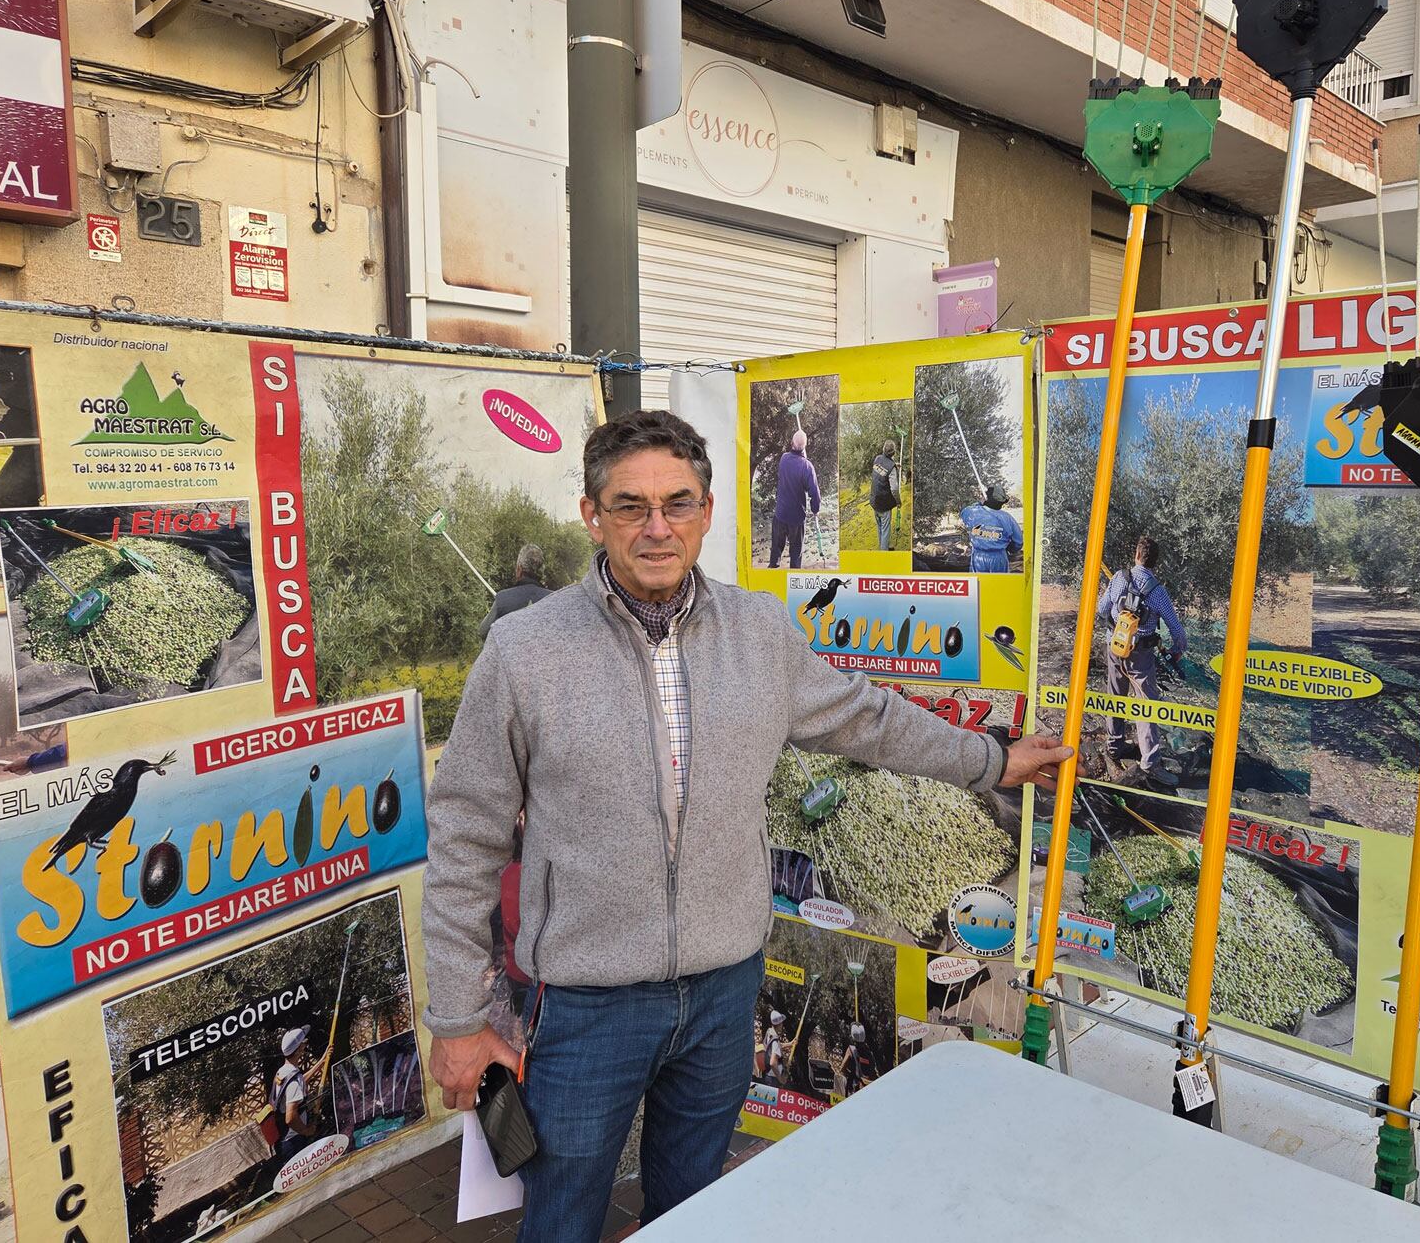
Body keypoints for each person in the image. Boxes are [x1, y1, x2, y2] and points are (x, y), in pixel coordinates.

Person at [422, 409, 1071, 1243]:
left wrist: (991, 760)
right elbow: (464, 839)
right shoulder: (523, 652)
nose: (657, 528)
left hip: (724, 995)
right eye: (630, 506)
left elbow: (869, 719)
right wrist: (459, 1018)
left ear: (706, 510)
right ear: (592, 515)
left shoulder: (760, 633)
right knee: (561, 1221)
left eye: (677, 504)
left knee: (696, 1214)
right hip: (586, 1008)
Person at [1097, 536, 1188, 789]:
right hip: (1141, 654)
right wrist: (1177, 650)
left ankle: (1114, 745)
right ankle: (1150, 763)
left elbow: (1102, 610)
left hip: (1114, 646)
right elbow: (1177, 630)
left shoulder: (1118, 577)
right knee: (1146, 705)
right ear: (1155, 562)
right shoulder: (1158, 592)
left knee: (1115, 695)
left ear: (1137, 555)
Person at [769, 429, 822, 568]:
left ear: (791, 443)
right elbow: (814, 493)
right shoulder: (807, 467)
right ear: (805, 446)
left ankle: (771, 573)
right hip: (796, 519)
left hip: (780, 514)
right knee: (796, 556)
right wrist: (815, 509)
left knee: (775, 553)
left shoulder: (784, 459)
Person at [269, 1027, 319, 1171]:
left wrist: (321, 1062)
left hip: (283, 1141)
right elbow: (290, 1118)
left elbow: (299, 1083)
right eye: (303, 1043)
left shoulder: (282, 1072)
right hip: (294, 1142)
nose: (305, 1045)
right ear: (298, 1050)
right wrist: (306, 1131)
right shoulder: (294, 1080)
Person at [481, 544, 552, 640]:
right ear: (541, 572)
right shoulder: (554, 599)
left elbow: (483, 632)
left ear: (519, 569)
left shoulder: (503, 599)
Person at [959, 484, 1023, 573]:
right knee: (998, 581)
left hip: (978, 558)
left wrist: (980, 503)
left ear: (987, 498)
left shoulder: (972, 512)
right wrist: (1009, 549)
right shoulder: (1008, 518)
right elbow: (1018, 542)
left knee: (978, 581)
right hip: (999, 558)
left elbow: (963, 513)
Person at [870, 440, 901, 551]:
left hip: (875, 500)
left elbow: (882, 469)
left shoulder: (877, 459)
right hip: (884, 504)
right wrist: (898, 501)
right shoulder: (891, 468)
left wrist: (894, 465)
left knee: (880, 527)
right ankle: (884, 553)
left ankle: (883, 547)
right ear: (893, 452)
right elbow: (894, 489)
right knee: (885, 529)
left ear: (884, 449)